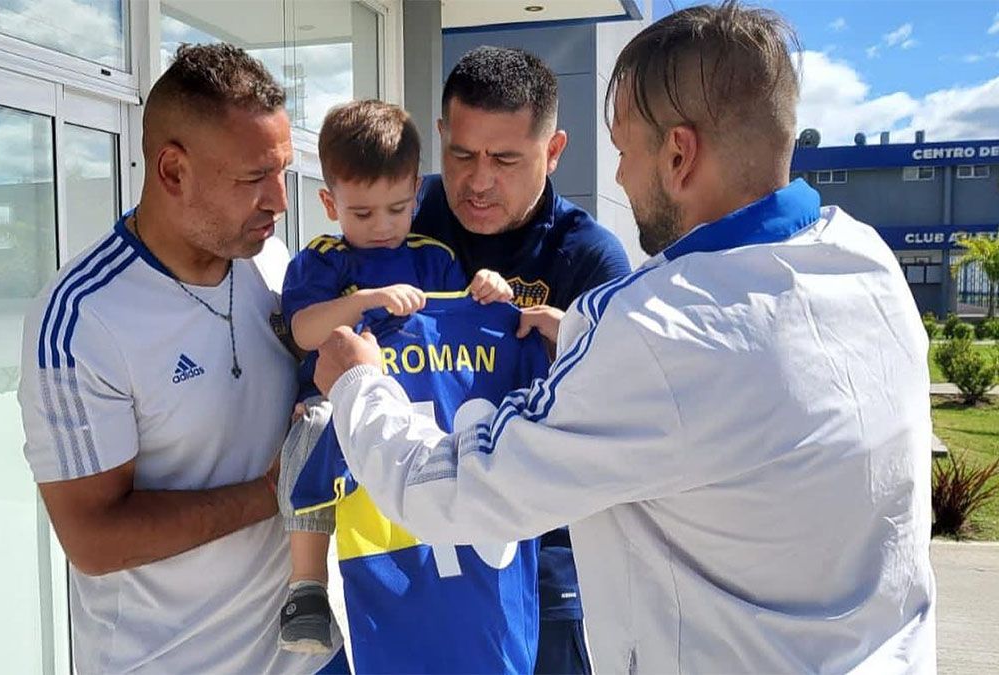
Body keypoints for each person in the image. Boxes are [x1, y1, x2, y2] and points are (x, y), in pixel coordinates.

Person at [314, 3, 936, 673]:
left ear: (678, 152)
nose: (617, 177)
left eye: (623, 147)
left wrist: (356, 382)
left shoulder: (655, 326)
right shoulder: (868, 260)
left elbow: (459, 493)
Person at [17, 43, 346, 673]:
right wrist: (270, 494)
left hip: (307, 658)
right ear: (173, 171)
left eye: (283, 171)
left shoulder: (275, 267)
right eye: (254, 178)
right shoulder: (83, 320)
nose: (279, 200)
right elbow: (93, 538)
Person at [273, 99, 524, 662]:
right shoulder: (321, 261)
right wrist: (364, 300)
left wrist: (489, 288)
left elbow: (463, 326)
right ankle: (306, 587)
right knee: (309, 429)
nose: (382, 228)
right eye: (361, 214)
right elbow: (305, 329)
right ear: (328, 202)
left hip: (416, 414)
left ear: (416, 190)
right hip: (335, 405)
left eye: (397, 208)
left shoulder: (434, 256)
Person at [412, 45, 633, 673]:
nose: (478, 181)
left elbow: (622, 424)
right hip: (416, 545)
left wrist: (583, 353)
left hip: (543, 562)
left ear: (554, 150)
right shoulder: (404, 217)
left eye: (505, 159)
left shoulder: (588, 259)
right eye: (461, 154)